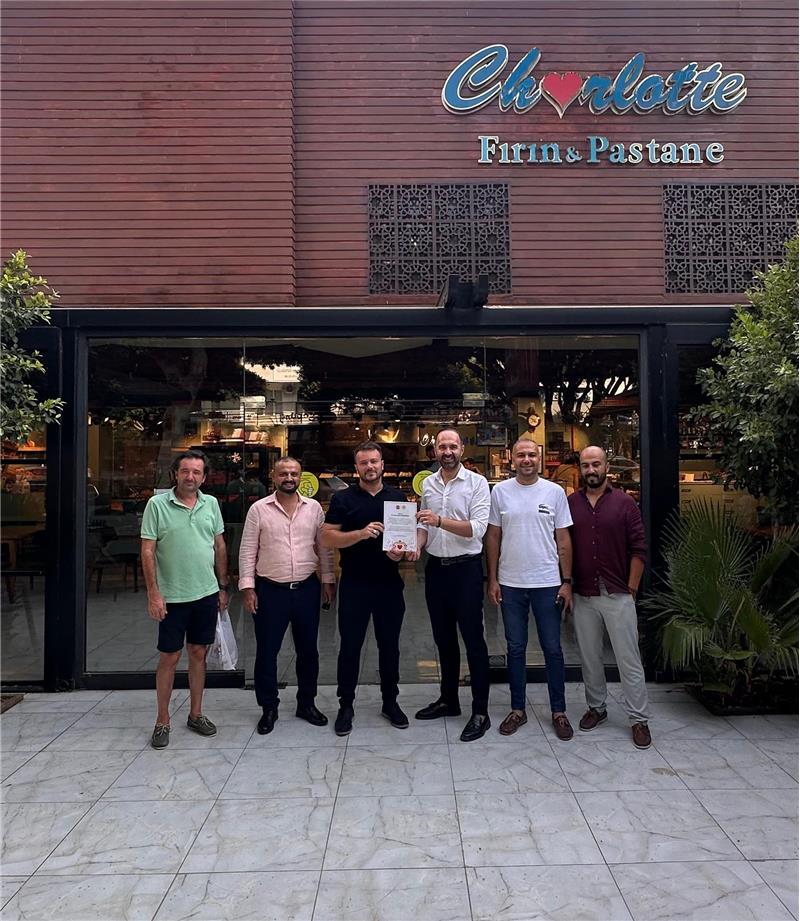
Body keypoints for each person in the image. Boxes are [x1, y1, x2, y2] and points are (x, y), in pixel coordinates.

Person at [238, 456, 336, 735]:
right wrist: (248, 587)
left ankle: (307, 703)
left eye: (294, 473)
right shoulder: (258, 509)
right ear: (274, 477)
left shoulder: (314, 508)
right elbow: (247, 550)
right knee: (267, 652)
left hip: (306, 588)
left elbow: (324, 547)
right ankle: (269, 707)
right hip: (270, 591)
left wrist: (327, 580)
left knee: (308, 652)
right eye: (283, 474)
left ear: (300, 477)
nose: (289, 478)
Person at [486, 440, 575, 741]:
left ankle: (559, 711)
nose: (526, 459)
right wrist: (493, 578)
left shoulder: (554, 492)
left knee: (553, 648)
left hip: (547, 582)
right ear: (512, 460)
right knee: (515, 649)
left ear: (539, 458)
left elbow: (563, 540)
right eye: (521, 455)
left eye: (531, 455)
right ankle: (517, 709)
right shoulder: (500, 491)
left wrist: (566, 581)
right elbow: (493, 536)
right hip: (511, 584)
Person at [321, 441, 411, 736]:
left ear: (382, 464)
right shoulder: (343, 499)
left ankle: (390, 702)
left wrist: (400, 553)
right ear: (356, 467)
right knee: (350, 647)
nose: (370, 467)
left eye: (374, 461)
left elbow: (404, 542)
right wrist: (359, 534)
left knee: (390, 647)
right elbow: (327, 538)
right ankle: (345, 705)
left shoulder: (398, 498)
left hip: (389, 584)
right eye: (364, 463)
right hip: (355, 584)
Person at [141, 449, 228, 750]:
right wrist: (153, 592)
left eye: (196, 472)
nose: (190, 477)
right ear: (175, 474)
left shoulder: (211, 504)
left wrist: (223, 586)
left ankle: (196, 714)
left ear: (204, 477)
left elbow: (219, 545)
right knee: (169, 656)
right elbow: (148, 550)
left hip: (205, 593)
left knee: (198, 653)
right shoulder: (157, 505)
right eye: (185, 471)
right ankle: (162, 720)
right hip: (172, 596)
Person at [568, 446, 651, 749]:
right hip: (583, 593)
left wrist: (631, 588)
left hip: (618, 593)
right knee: (590, 657)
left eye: (596, 464)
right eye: (585, 465)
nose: (591, 470)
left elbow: (639, 548)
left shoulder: (625, 503)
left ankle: (639, 718)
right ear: (580, 468)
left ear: (606, 467)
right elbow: (562, 546)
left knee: (628, 658)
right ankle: (597, 708)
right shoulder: (571, 504)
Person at [414, 428, 492, 742]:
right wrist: (416, 544)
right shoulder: (428, 484)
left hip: (466, 570)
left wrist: (439, 521)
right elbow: (424, 525)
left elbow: (477, 529)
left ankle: (481, 711)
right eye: (442, 446)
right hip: (436, 570)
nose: (447, 451)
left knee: (474, 641)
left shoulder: (477, 483)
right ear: (435, 450)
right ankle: (449, 700)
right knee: (444, 640)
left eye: (452, 446)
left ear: (462, 449)